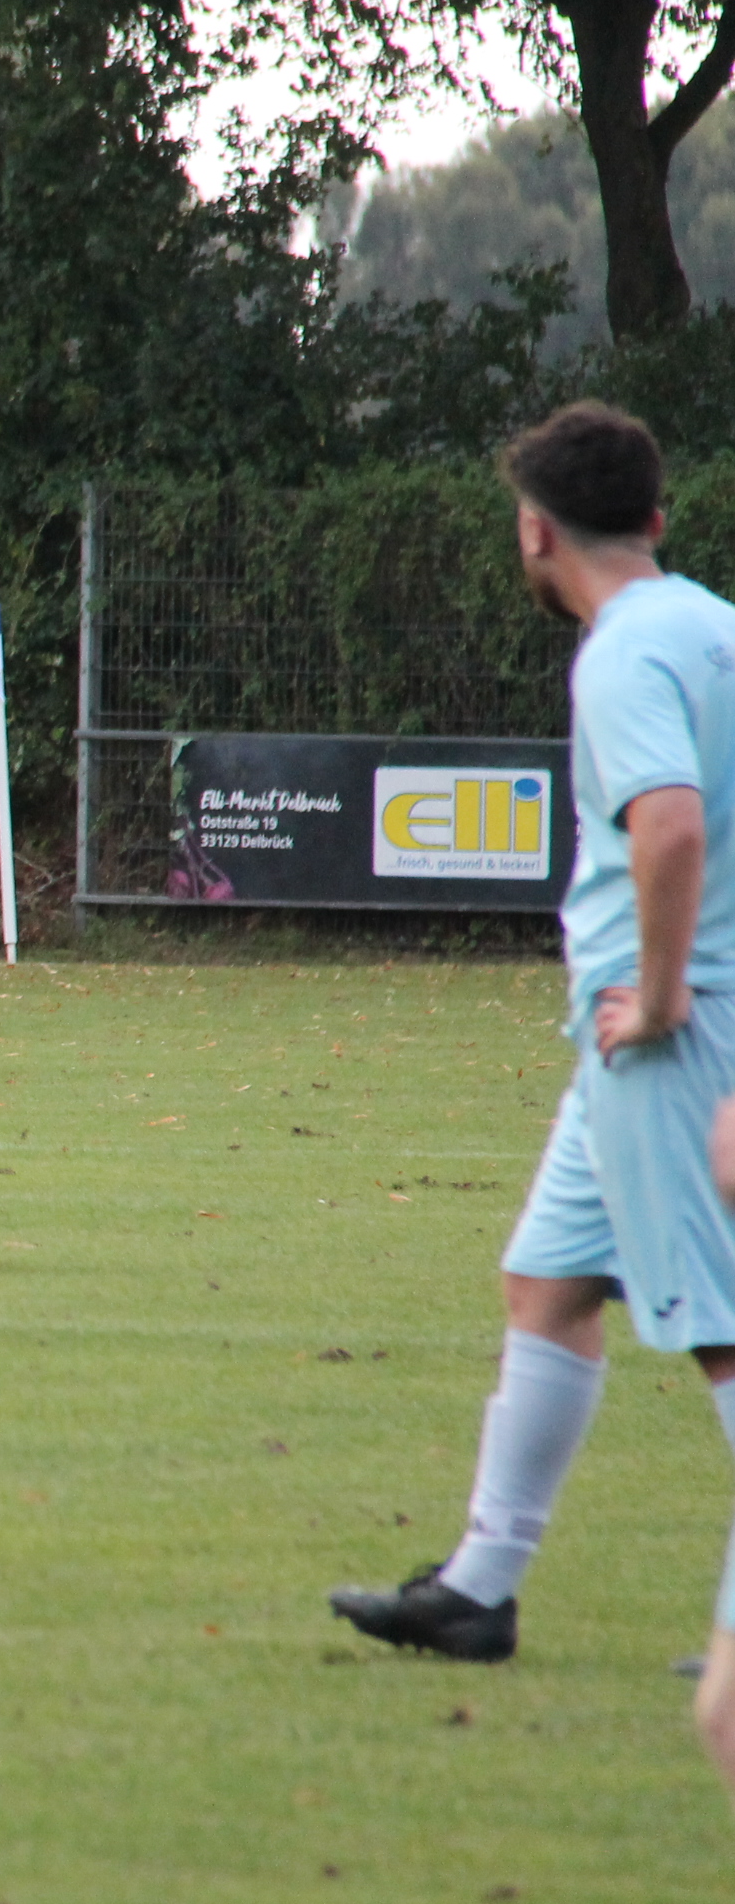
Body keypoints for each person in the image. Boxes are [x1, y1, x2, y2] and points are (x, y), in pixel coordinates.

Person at [332, 402, 735, 1693]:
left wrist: (668, 998)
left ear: (534, 530)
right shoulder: (713, 625)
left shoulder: (622, 655)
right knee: (549, 1284)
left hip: (668, 1040)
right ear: (658, 519)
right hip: (623, 1047)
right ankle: (477, 1591)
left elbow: (668, 828)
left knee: (722, 1326)